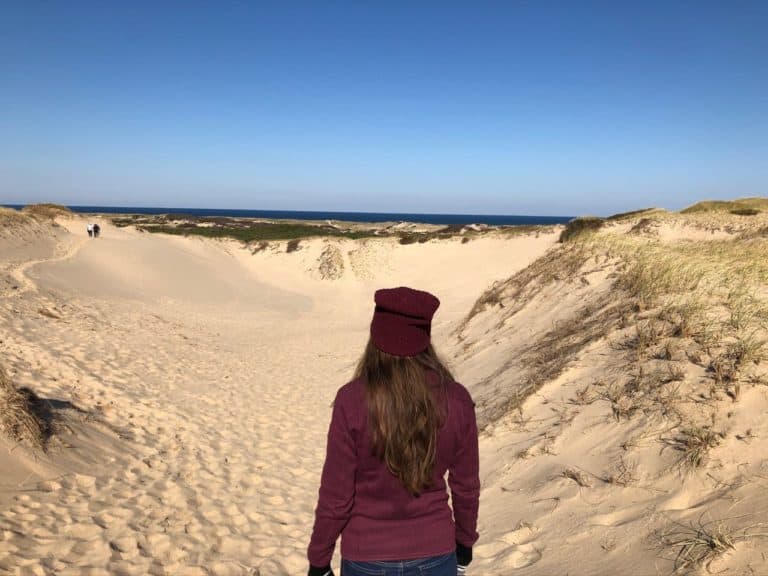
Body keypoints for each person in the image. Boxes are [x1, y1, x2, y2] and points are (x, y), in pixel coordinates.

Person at [308, 287, 480, 576]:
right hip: (436, 552)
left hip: (366, 555)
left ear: (375, 337)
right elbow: (466, 487)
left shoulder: (351, 400)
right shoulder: (456, 399)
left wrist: (319, 558)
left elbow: (336, 496)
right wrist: (464, 543)